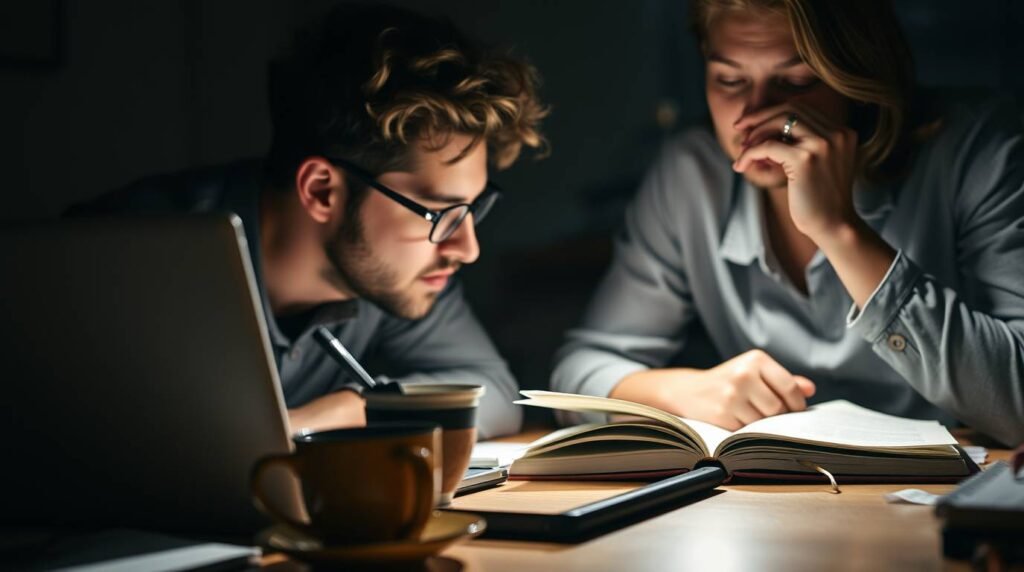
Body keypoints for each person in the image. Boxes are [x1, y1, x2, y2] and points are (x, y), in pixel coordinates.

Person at [552, 0, 1024, 445]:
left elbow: (1018, 402)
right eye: (729, 80)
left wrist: (839, 230)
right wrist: (682, 392)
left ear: (857, 78)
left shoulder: (977, 151)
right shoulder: (693, 176)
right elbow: (577, 372)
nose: (755, 116)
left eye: (796, 82)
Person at [71, 4, 548, 439]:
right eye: (441, 211)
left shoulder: (399, 274)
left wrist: (346, 411)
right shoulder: (120, 256)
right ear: (322, 191)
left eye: (472, 208)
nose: (466, 247)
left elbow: (493, 391)